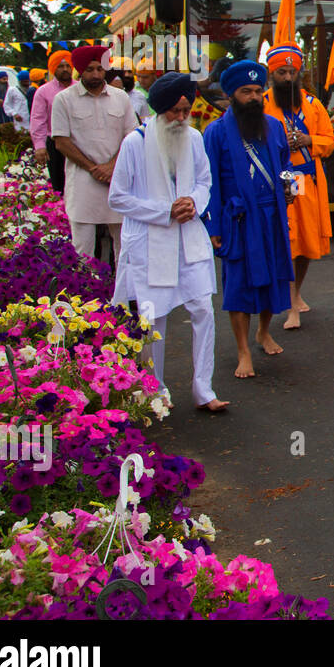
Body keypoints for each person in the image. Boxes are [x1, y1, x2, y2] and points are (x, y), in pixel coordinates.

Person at [109, 72, 227, 413]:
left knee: (203, 309)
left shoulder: (193, 138)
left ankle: (203, 389)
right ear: (159, 111)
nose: (180, 118)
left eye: (186, 110)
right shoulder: (134, 142)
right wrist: (165, 211)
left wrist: (194, 202)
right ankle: (155, 390)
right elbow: (118, 198)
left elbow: (205, 181)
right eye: (174, 111)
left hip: (189, 239)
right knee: (153, 318)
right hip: (151, 241)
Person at [202, 60, 295, 380]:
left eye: (259, 91)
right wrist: (213, 226)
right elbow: (209, 181)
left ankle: (263, 332)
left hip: (273, 215)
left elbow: (287, 165)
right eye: (247, 92)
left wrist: (292, 189)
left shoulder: (274, 126)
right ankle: (243, 350)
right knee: (239, 285)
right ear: (231, 95)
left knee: (274, 276)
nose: (255, 97)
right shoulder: (214, 132)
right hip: (237, 219)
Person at [264, 42, 334, 330]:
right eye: (283, 72)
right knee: (289, 241)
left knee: (305, 242)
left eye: (293, 72)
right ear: (272, 74)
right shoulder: (264, 102)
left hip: (306, 179)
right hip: (280, 180)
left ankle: (296, 291)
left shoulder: (313, 104)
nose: (289, 78)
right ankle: (290, 302)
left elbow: (330, 141)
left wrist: (309, 140)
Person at [50, 45, 137, 259]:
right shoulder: (64, 99)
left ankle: (123, 292)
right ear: (79, 71)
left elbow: (132, 137)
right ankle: (84, 292)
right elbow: (61, 142)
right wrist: (94, 169)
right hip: (82, 181)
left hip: (117, 179)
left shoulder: (121, 97)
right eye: (90, 69)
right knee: (82, 250)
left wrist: (111, 166)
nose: (96, 74)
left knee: (124, 247)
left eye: (100, 68)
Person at [32, 50, 75, 192]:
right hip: (55, 144)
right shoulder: (43, 92)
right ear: (52, 68)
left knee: (79, 185)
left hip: (79, 142)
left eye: (68, 66)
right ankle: (61, 213)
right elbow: (38, 119)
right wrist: (39, 145)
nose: (65, 69)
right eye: (60, 66)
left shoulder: (80, 88)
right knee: (59, 186)